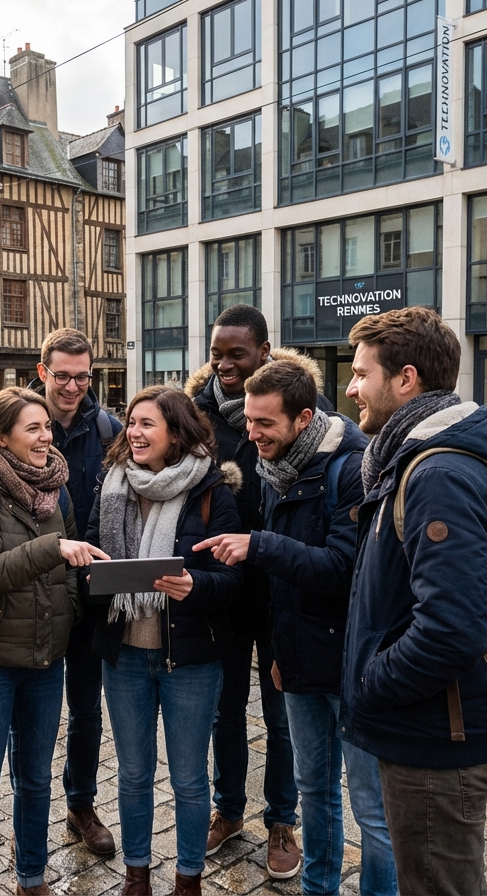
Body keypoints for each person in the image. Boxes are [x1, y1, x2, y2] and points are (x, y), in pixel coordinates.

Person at [340, 307, 487, 895]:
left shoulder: (437, 474)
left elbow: (450, 629)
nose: (350, 388)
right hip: (436, 726)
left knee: (437, 885)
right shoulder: (415, 459)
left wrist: (372, 684)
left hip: (436, 737)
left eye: (361, 373)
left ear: (406, 379)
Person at [197, 359, 397, 896]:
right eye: (248, 421)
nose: (250, 434)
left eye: (264, 423)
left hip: (353, 665)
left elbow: (342, 568)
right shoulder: (274, 470)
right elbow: (282, 589)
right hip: (301, 660)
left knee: (372, 812)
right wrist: (280, 652)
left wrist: (259, 545)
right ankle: (318, 888)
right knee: (315, 793)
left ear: (304, 418)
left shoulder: (351, 468)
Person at [0, 386, 108, 896]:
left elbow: (73, 574)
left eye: (46, 427)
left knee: (35, 781)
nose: (45, 437)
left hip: (43, 661)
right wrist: (53, 546)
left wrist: (70, 615)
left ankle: (31, 879)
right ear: (0, 435)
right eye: (32, 428)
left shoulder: (58, 488)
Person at [85, 385, 243, 896]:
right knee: (132, 774)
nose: (134, 432)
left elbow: (235, 583)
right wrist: (93, 575)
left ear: (176, 432)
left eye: (147, 423)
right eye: (131, 422)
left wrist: (197, 586)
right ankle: (136, 874)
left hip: (191, 660)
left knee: (189, 779)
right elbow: (87, 562)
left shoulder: (212, 492)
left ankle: (188, 878)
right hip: (124, 655)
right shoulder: (111, 485)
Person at [185, 304, 318, 877]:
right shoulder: (197, 414)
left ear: (265, 352)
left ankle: (282, 820)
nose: (224, 363)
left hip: (284, 586)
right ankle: (229, 809)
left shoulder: (294, 408)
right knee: (226, 707)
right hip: (227, 586)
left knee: (281, 711)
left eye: (236, 353)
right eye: (217, 353)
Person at [27, 327, 122, 856]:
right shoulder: (17, 421)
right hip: (34, 593)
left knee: (86, 710)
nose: (71, 387)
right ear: (43, 372)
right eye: (62, 376)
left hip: (88, 596)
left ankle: (80, 804)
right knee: (35, 715)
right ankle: (28, 815)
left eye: (82, 377)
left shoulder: (107, 427)